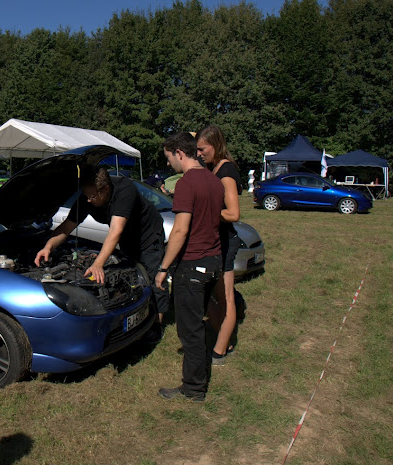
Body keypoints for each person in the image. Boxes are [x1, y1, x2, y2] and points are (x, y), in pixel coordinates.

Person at [34, 166, 169, 340]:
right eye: (86, 195)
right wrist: (48, 246)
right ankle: (133, 317)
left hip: (148, 235)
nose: (88, 200)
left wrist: (98, 264)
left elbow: (115, 230)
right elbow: (67, 227)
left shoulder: (125, 190)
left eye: (92, 196)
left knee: (153, 278)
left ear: (105, 189)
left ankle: (156, 325)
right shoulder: (87, 199)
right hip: (128, 239)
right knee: (132, 278)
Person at [155, 131, 224, 402]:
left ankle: (194, 388)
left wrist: (163, 267)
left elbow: (180, 230)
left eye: (168, 157)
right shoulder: (214, 180)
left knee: (190, 330)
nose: (168, 163)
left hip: (193, 265)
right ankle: (198, 376)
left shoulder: (186, 183)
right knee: (197, 325)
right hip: (213, 261)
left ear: (179, 153)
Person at [196, 125, 241, 366]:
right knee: (212, 294)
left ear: (216, 145)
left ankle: (220, 351)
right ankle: (225, 337)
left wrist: (205, 211)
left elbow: (233, 213)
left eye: (202, 149)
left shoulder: (226, 171)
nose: (199, 153)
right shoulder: (213, 168)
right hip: (213, 240)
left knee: (226, 297)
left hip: (225, 241)